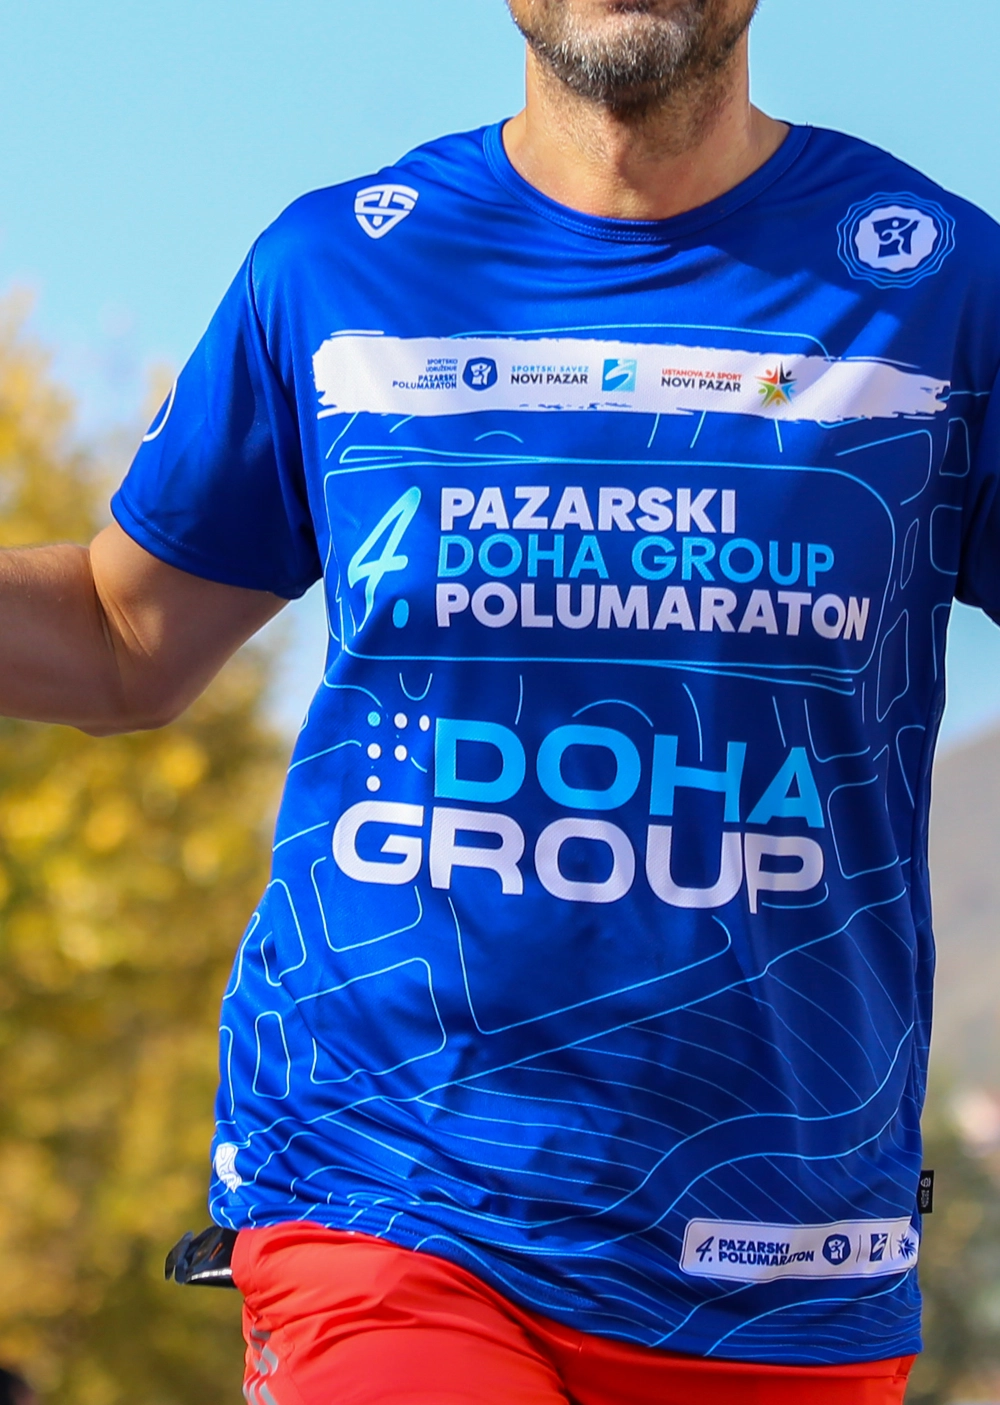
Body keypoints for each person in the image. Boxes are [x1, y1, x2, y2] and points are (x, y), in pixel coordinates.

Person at [4, 0, 998, 1399]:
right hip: (384, 1197)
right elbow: (122, 638)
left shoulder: (943, 289)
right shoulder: (338, 268)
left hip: (781, 1262)